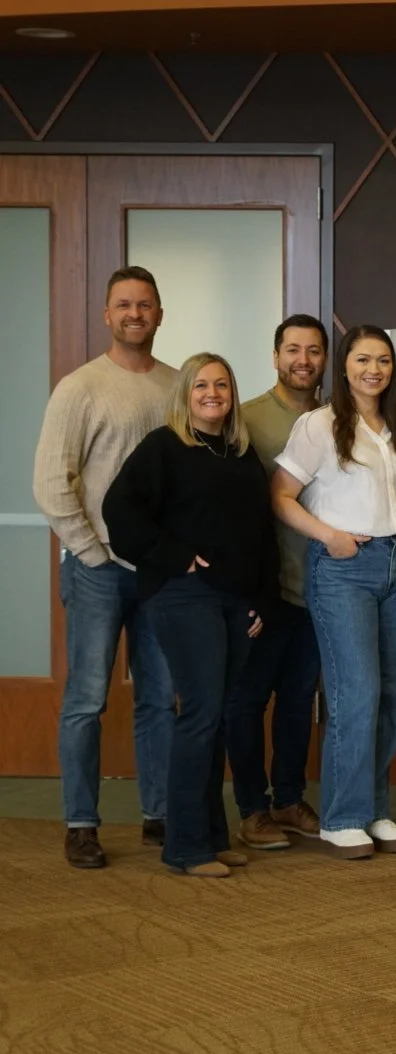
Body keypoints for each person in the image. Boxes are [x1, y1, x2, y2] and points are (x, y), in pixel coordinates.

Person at [103, 353, 278, 877]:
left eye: (221, 384)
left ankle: (212, 838)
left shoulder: (241, 454)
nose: (212, 393)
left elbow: (260, 533)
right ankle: (184, 846)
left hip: (235, 600)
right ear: (185, 394)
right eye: (200, 385)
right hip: (183, 595)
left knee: (217, 715)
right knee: (201, 713)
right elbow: (119, 509)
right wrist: (173, 554)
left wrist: (261, 599)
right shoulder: (164, 447)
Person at [271, 325, 396, 860]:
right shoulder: (318, 425)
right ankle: (342, 817)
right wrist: (328, 536)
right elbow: (281, 496)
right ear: (344, 366)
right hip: (344, 569)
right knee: (356, 694)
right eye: (363, 359)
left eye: (383, 360)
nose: (374, 369)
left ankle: (374, 809)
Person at [33, 266, 177, 869]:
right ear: (107, 315)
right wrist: (91, 551)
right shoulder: (80, 387)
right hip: (97, 570)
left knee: (160, 697)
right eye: (124, 304)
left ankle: (160, 815)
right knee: (87, 699)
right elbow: (50, 483)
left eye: (145, 304)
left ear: (160, 314)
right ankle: (81, 825)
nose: (134, 314)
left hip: (160, 573)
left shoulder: (179, 386)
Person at [226, 315, 328, 852]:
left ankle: (288, 798)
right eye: (293, 350)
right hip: (263, 590)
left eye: (313, 351)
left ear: (325, 360)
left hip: (320, 591)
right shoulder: (245, 420)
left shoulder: (337, 420)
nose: (303, 360)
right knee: (246, 701)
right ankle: (252, 809)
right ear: (275, 357)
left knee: (297, 702)